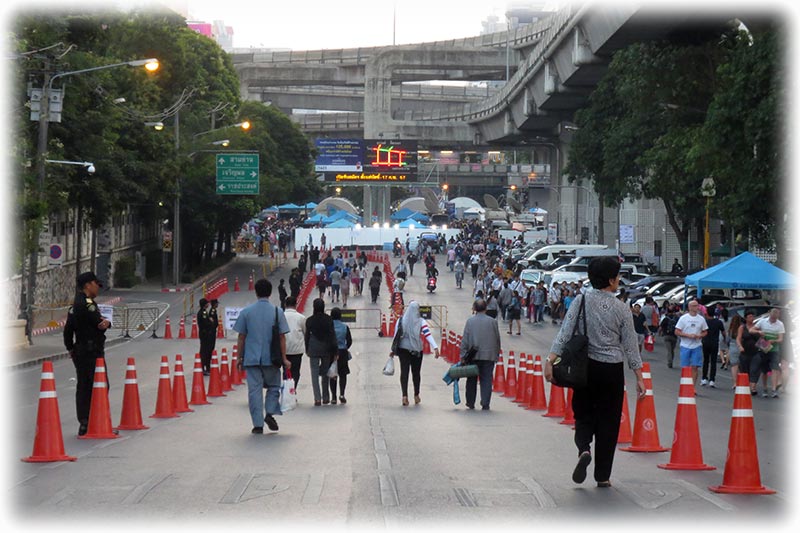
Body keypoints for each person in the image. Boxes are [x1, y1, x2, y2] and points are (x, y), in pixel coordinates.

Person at [544, 257, 645, 488]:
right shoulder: (622, 308)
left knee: (583, 413)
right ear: (610, 280)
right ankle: (603, 476)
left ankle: (584, 449)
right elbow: (630, 345)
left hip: (585, 368)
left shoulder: (580, 301)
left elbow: (565, 332)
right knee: (609, 422)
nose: (619, 280)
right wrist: (639, 376)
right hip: (611, 371)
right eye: (617, 276)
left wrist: (550, 360)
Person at [233, 279, 291, 435]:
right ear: (270, 292)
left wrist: (239, 357)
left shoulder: (246, 312)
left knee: (254, 391)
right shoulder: (277, 312)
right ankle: (269, 412)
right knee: (273, 387)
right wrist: (284, 358)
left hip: (251, 359)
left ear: (256, 292)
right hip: (272, 359)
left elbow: (241, 337)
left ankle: (257, 425)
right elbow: (282, 337)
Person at [65, 271, 112, 436]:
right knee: (100, 386)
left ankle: (84, 422)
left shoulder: (73, 307)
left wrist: (72, 349)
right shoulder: (88, 305)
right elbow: (99, 323)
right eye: (95, 284)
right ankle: (98, 421)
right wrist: (107, 323)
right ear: (87, 285)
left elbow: (67, 332)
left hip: (80, 351)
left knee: (83, 386)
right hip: (94, 353)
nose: (97, 288)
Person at [389, 301, 440, 406]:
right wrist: (435, 347)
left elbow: (396, 335)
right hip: (416, 350)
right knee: (416, 373)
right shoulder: (421, 321)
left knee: (404, 372)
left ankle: (404, 396)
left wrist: (392, 350)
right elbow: (427, 334)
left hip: (403, 349)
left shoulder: (401, 320)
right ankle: (416, 395)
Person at [459, 298, 502, 410]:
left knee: (471, 379)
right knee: (487, 379)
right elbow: (497, 339)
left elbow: (465, 340)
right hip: (489, 356)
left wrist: (463, 355)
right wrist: (496, 354)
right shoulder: (493, 322)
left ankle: (470, 402)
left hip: (473, 356)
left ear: (474, 308)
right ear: (486, 308)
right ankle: (485, 402)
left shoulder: (470, 321)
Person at [304, 298, 338, 406]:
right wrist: (335, 351)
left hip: (313, 348)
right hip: (326, 348)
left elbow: (307, 336)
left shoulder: (309, 320)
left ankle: (317, 398)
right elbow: (333, 336)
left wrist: (307, 348)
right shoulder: (328, 319)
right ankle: (326, 397)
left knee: (314, 373)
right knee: (325, 373)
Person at [674, 300, 708, 391]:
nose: (696, 308)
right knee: (685, 368)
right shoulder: (683, 318)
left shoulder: (701, 319)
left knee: (695, 367)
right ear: (689, 307)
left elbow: (705, 331)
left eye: (697, 306)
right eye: (693, 306)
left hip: (697, 346)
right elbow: (677, 331)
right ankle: (685, 385)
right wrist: (687, 335)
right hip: (685, 345)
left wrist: (699, 335)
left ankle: (692, 387)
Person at [751, 308, 785, 397]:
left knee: (775, 369)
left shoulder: (780, 324)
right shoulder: (762, 321)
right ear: (770, 315)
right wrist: (759, 332)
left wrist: (774, 341)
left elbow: (781, 339)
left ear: (778, 316)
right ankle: (765, 388)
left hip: (774, 349)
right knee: (764, 370)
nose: (773, 319)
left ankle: (774, 389)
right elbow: (751, 330)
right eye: (772, 318)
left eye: (775, 318)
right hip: (763, 348)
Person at [329, 307, 353, 404]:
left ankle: (333, 397)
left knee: (332, 374)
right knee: (343, 374)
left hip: (331, 352)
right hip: (342, 352)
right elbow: (350, 340)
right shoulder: (345, 326)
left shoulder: (329, 326)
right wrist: (345, 347)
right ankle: (342, 394)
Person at [282, 296, 306, 390]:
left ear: (285, 304)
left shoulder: (281, 316)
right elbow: (305, 332)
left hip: (284, 349)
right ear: (295, 305)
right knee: (296, 372)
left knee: (285, 371)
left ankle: (286, 391)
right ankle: (293, 390)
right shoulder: (301, 318)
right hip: (297, 350)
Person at [701, 308, 727, 388]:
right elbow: (723, 332)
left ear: (707, 314)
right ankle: (712, 380)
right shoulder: (718, 322)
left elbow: (701, 331)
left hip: (705, 342)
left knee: (705, 360)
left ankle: (704, 378)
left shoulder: (704, 322)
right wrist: (725, 339)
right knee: (713, 362)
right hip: (714, 343)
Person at [197, 298, 215, 375]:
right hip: (205, 334)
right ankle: (204, 368)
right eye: (207, 303)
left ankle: (205, 367)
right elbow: (205, 324)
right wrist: (211, 321)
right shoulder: (203, 312)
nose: (208, 304)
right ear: (205, 305)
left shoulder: (203, 312)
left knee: (206, 351)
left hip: (204, 334)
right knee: (205, 351)